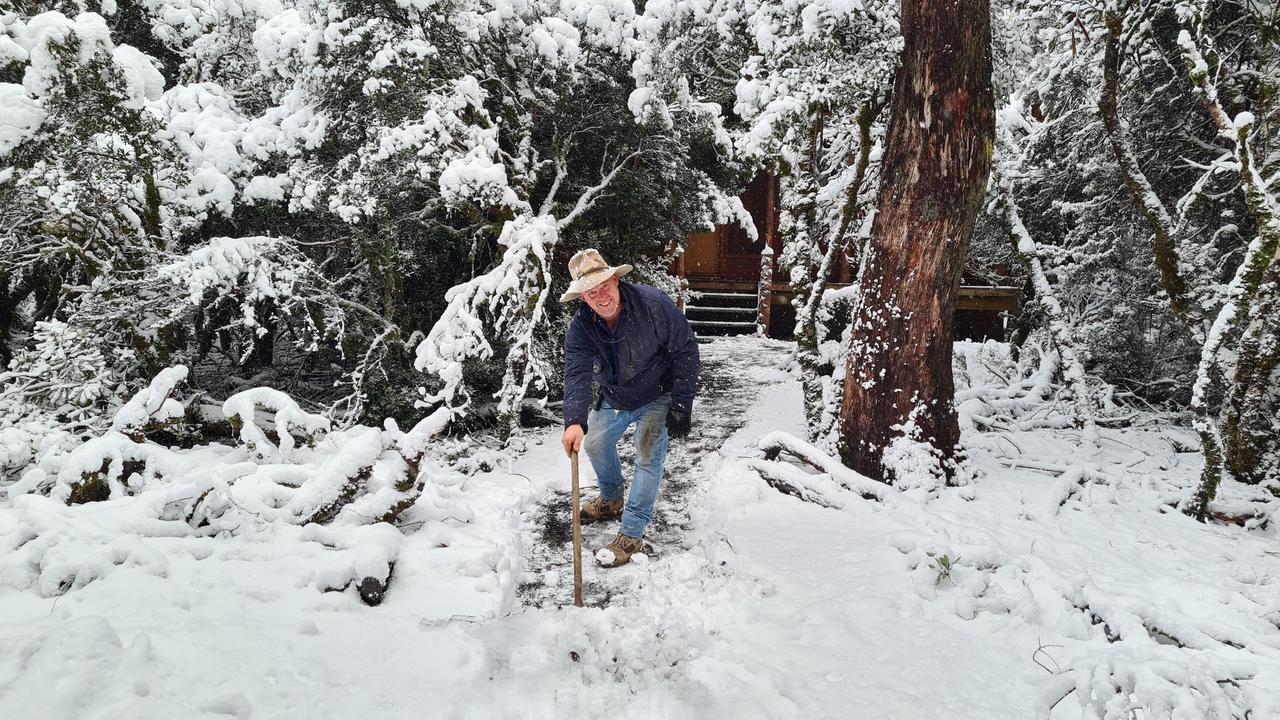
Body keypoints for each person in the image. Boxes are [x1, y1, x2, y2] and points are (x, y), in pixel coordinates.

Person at [559, 248, 699, 568]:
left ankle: (631, 533)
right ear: (583, 298)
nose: (601, 296)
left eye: (604, 286)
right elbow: (577, 374)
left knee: (648, 453)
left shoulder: (653, 304)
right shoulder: (581, 328)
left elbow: (685, 349)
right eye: (591, 292)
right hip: (616, 396)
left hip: (659, 392)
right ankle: (611, 498)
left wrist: (681, 404)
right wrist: (574, 421)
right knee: (594, 444)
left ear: (615, 280)